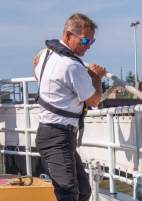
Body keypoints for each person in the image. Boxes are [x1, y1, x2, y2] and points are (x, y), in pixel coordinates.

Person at [33, 13, 106, 201]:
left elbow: (37, 74)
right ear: (68, 35)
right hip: (57, 137)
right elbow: (94, 101)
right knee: (68, 194)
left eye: (92, 41)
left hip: (56, 134)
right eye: (85, 40)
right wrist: (96, 78)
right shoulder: (72, 66)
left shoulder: (46, 54)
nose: (88, 45)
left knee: (83, 191)